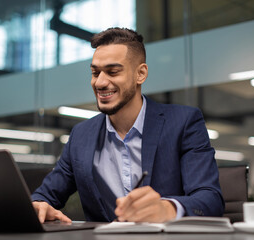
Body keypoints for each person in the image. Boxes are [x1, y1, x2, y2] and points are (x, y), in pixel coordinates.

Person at [31, 27, 224, 223]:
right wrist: (39, 204)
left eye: (113, 72)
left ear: (140, 74)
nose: (100, 82)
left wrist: (167, 209)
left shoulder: (183, 123)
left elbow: (210, 199)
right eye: (95, 73)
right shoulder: (81, 135)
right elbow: (46, 195)